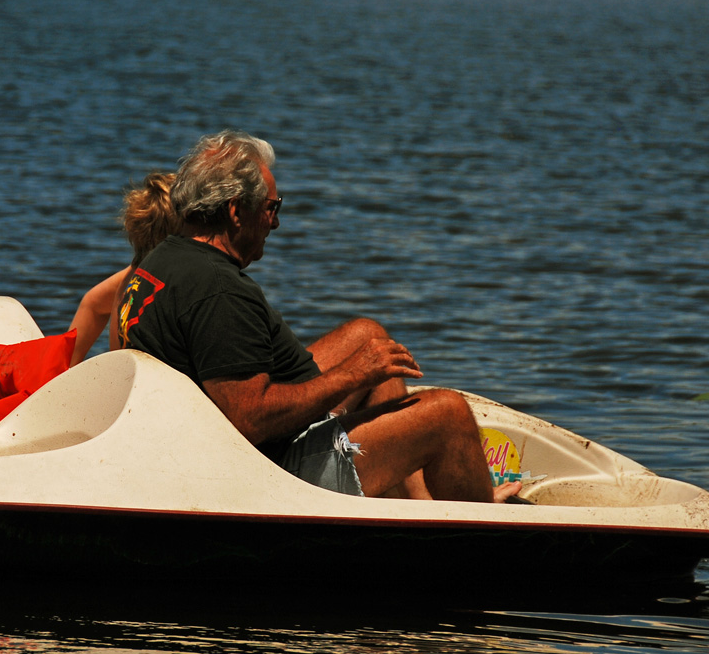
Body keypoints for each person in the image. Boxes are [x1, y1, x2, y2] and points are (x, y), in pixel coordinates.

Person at [118, 130, 520, 504]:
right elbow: (249, 419)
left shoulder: (162, 259)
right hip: (269, 468)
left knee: (366, 336)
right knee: (446, 413)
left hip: (223, 440)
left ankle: (417, 505)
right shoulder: (217, 289)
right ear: (237, 212)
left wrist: (359, 366)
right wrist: (353, 374)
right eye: (271, 209)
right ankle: (479, 526)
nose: (275, 222)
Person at [69, 172, 179, 365]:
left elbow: (92, 304)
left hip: (125, 381)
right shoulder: (171, 283)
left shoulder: (133, 274)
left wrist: (67, 369)